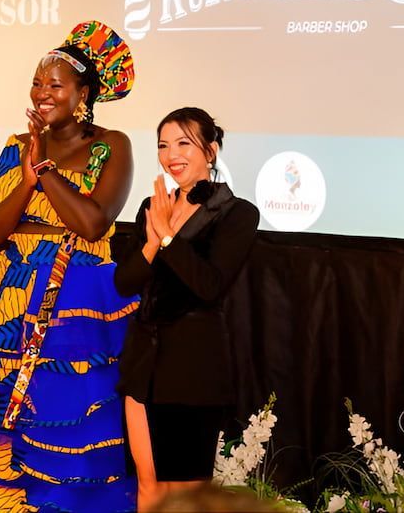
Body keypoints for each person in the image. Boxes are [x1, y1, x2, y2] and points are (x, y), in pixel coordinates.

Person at [0, 21, 139, 512]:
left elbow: (93, 223)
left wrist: (46, 171)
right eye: (37, 82)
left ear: (84, 93)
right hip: (13, 296)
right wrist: (26, 178)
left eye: (55, 84)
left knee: (66, 413)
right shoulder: (16, 146)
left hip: (75, 299)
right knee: (6, 420)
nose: (43, 93)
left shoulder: (110, 146)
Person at [113, 108, 259, 511]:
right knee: (147, 489)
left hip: (194, 369)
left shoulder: (238, 213)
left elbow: (209, 286)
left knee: (183, 499)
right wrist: (152, 236)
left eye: (183, 143)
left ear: (210, 151)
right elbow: (124, 282)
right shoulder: (152, 205)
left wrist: (169, 237)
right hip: (143, 366)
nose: (171, 154)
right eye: (163, 144)